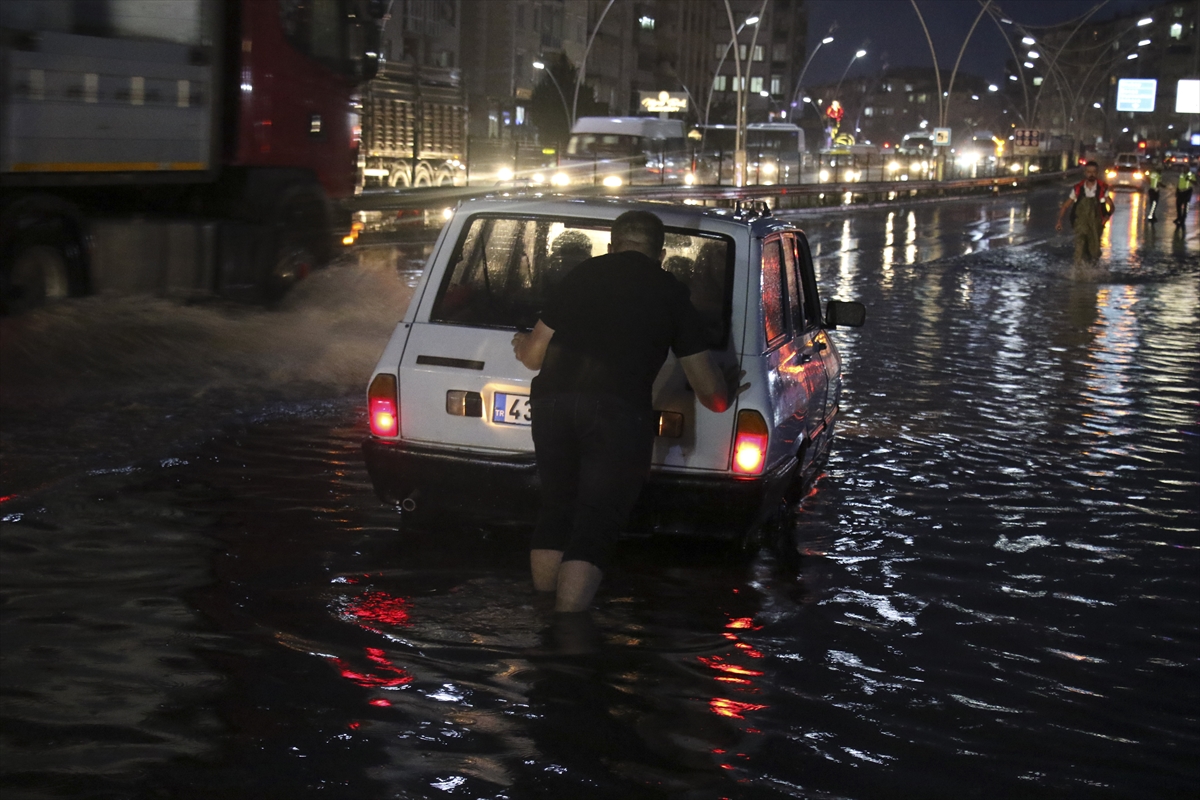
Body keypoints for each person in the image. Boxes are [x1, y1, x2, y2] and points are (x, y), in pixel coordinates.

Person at [511, 210, 745, 613]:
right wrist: (726, 386)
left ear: (611, 245)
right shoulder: (670, 290)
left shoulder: (581, 275)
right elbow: (713, 396)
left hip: (551, 404)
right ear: (662, 253)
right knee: (596, 520)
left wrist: (519, 343)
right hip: (616, 412)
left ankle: (540, 617)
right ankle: (567, 635)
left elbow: (533, 357)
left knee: (556, 508)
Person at [1055, 160, 1114, 264]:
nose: (1091, 174)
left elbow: (1111, 206)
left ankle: (1091, 269)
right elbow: (1065, 205)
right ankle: (1078, 271)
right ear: (1085, 173)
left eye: (1093, 172)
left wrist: (1107, 216)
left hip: (1096, 224)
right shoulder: (1078, 188)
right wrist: (1059, 221)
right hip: (1080, 223)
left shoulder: (1102, 188)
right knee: (1079, 247)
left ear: (1097, 173)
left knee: (1094, 251)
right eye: (1089, 172)